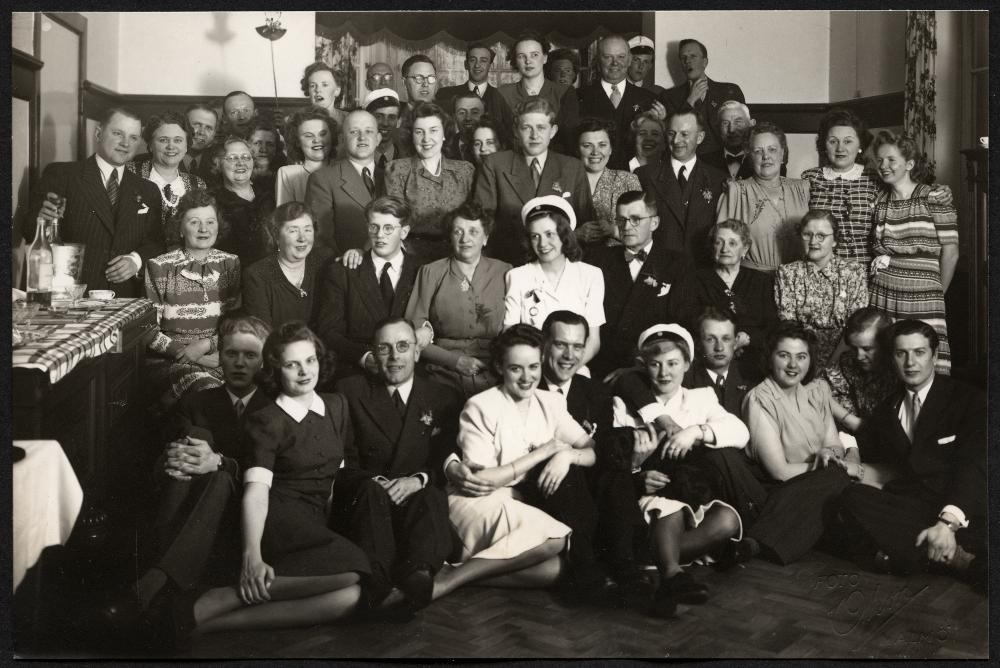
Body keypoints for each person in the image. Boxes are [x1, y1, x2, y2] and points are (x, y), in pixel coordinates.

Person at [179, 323, 369, 636]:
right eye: (292, 365)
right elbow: (256, 491)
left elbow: (335, 475)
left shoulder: (337, 405)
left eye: (310, 360)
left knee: (351, 596)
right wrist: (251, 557)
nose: (304, 372)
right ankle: (229, 595)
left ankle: (216, 621)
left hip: (312, 521)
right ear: (275, 370)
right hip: (278, 520)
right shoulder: (267, 420)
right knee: (354, 571)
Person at [433, 324, 605, 602]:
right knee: (555, 538)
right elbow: (481, 480)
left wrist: (567, 455)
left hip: (520, 501)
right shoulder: (481, 406)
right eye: (516, 369)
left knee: (558, 568)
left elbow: (591, 449)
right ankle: (448, 582)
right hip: (479, 502)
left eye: (533, 367)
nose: (527, 378)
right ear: (499, 367)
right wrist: (542, 453)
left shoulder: (551, 403)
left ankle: (461, 575)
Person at [133, 313, 273, 612]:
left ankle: (159, 575)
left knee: (220, 476)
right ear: (219, 356)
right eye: (231, 354)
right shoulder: (197, 402)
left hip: (251, 511)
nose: (239, 363)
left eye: (250, 356)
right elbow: (163, 468)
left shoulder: (275, 407)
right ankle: (165, 581)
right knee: (193, 440)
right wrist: (172, 456)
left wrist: (221, 463)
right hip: (196, 507)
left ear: (263, 361)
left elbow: (277, 471)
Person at [611, 324, 748, 617]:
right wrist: (637, 472)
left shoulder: (701, 397)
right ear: (643, 366)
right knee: (670, 507)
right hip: (646, 497)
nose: (664, 373)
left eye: (673, 363)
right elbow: (612, 460)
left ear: (687, 364)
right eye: (655, 365)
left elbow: (740, 432)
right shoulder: (624, 404)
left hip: (689, 492)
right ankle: (672, 573)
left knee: (727, 520)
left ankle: (651, 556)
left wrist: (696, 431)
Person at [838, 320, 986, 590]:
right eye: (901, 353)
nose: (910, 362)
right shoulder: (888, 408)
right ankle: (951, 557)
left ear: (935, 356)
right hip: (916, 508)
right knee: (852, 497)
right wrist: (850, 452)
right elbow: (867, 442)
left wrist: (948, 523)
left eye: (919, 352)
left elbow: (973, 466)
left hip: (963, 506)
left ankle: (908, 555)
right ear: (892, 358)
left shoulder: (968, 399)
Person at [334, 318, 462, 611]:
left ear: (416, 352)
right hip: (370, 500)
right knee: (368, 494)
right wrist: (378, 482)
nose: (394, 357)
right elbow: (344, 458)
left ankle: (419, 574)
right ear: (374, 354)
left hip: (416, 502)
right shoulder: (349, 391)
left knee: (430, 495)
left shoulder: (443, 396)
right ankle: (378, 585)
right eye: (385, 348)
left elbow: (445, 457)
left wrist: (418, 480)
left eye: (403, 346)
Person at [738, 321, 859, 565]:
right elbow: (779, 471)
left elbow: (834, 444)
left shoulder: (817, 391)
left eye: (801, 357)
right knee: (842, 484)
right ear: (770, 358)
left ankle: (758, 542)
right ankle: (764, 541)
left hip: (823, 486)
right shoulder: (760, 399)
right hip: (782, 490)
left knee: (851, 494)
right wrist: (828, 466)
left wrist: (828, 453)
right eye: (784, 355)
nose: (793, 365)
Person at [28, 106, 164, 297]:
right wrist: (42, 220)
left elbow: (157, 243)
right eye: (118, 133)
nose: (125, 143)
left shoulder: (148, 190)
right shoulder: (62, 175)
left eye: (133, 137)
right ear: (98, 133)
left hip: (125, 298)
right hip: (71, 296)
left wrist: (136, 260)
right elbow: (28, 231)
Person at [800, 108, 952, 268]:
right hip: (821, 269)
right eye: (833, 141)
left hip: (866, 271)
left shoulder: (877, 177)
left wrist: (938, 191)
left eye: (848, 141)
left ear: (860, 145)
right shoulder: (810, 178)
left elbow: (908, 190)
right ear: (824, 145)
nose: (840, 148)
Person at [869, 131, 958, 375]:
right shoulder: (879, 201)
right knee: (887, 361)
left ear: (909, 164)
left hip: (923, 295)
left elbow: (951, 252)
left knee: (922, 358)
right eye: (880, 160)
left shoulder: (934, 197)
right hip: (884, 291)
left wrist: (937, 293)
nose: (884, 166)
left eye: (891, 160)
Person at [144, 190, 241, 412]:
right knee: (210, 394)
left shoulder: (230, 263)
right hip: (172, 361)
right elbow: (147, 330)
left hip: (219, 356)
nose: (204, 229)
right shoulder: (160, 266)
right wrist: (190, 354)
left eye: (210, 222)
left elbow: (237, 323)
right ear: (180, 228)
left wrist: (210, 346)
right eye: (194, 222)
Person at [404, 202, 511, 397]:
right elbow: (413, 334)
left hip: (496, 370)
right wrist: (455, 361)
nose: (465, 239)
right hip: (443, 371)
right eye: (458, 232)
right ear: (450, 237)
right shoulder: (431, 272)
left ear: (485, 238)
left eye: (473, 232)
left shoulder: (505, 272)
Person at [586, 190, 690, 380]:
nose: (626, 227)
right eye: (621, 220)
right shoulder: (598, 261)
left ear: (654, 223)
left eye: (635, 219)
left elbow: (681, 325)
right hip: (603, 368)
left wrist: (639, 369)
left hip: (654, 370)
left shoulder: (677, 264)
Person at [474, 97, 591, 266]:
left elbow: (586, 226)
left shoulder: (572, 167)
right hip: (508, 262)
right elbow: (483, 222)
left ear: (553, 131)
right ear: (516, 131)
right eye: (526, 128)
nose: (534, 135)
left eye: (541, 128)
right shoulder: (495, 164)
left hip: (559, 264)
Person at [314, 196, 420, 379]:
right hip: (358, 372)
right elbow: (328, 332)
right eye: (374, 227)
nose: (380, 235)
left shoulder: (422, 271)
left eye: (388, 228)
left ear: (404, 232)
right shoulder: (342, 272)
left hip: (411, 370)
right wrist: (364, 357)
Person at [503, 196, 605, 372]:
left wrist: (566, 370)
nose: (542, 244)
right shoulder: (517, 276)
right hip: (531, 371)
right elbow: (509, 333)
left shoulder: (590, 275)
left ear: (564, 235)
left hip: (574, 368)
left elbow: (593, 341)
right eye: (535, 236)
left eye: (549, 234)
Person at [672, 220, 777, 383]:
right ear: (712, 247)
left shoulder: (762, 281)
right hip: (708, 358)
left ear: (745, 248)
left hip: (753, 359)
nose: (724, 249)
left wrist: (747, 338)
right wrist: (722, 341)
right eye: (718, 242)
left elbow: (772, 326)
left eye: (732, 243)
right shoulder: (694, 279)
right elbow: (686, 320)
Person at [775, 210, 869, 367]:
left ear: (835, 240)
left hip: (843, 360)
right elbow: (789, 328)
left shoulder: (854, 272)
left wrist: (830, 367)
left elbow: (855, 329)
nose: (813, 241)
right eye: (807, 234)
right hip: (801, 361)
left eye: (821, 236)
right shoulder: (787, 273)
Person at [384, 102, 475, 261]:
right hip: (411, 255)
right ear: (411, 135)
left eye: (433, 130)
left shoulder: (464, 171)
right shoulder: (397, 170)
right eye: (419, 132)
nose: (426, 139)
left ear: (444, 134)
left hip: (457, 254)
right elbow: (393, 220)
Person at [636, 109, 728, 264]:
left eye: (684, 134)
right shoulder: (644, 176)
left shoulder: (718, 179)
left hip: (703, 268)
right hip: (659, 266)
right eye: (671, 134)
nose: (676, 140)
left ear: (700, 137)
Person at [715, 122, 809, 272]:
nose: (766, 156)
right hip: (752, 279)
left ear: (782, 154)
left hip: (798, 279)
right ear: (749, 157)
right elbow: (721, 248)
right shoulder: (736, 192)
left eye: (772, 149)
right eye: (758, 151)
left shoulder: (802, 189)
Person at [242, 202, 332, 330]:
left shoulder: (326, 260)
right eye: (293, 230)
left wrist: (356, 253)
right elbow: (262, 334)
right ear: (276, 236)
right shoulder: (257, 275)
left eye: (307, 230)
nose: (302, 238)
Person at [305, 110, 381, 256]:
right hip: (345, 265)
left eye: (369, 131)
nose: (362, 137)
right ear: (342, 139)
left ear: (378, 139)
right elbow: (321, 239)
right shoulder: (322, 179)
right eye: (354, 132)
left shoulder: (391, 175)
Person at [577, 35, 657, 171]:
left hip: (637, 176)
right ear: (597, 61)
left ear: (629, 59)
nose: (615, 63)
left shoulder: (649, 99)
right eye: (608, 57)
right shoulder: (579, 97)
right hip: (592, 175)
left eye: (621, 57)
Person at [658, 39, 745, 159]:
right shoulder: (669, 96)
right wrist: (690, 100)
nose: (687, 61)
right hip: (688, 162)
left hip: (723, 161)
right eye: (683, 58)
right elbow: (672, 135)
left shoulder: (729, 91)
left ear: (705, 62)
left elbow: (742, 133)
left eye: (693, 56)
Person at [818, 306, 898, 435]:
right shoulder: (847, 361)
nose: (859, 356)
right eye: (854, 348)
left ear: (885, 344)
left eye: (867, 349)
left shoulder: (899, 371)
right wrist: (853, 421)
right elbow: (817, 392)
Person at [498, 30, 580, 153]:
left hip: (556, 161)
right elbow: (499, 140)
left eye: (534, 55)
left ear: (545, 58)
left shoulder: (565, 92)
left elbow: (570, 140)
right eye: (521, 56)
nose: (528, 61)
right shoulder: (502, 93)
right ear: (515, 60)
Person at [126, 111, 206, 235]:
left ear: (186, 146)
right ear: (150, 145)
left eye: (178, 140)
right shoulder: (129, 173)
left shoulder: (197, 184)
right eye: (163, 140)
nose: (171, 146)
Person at [573, 118, 642, 247]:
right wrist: (576, 234)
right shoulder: (565, 181)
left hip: (617, 257)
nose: (595, 152)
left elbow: (642, 233)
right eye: (587, 146)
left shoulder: (627, 180)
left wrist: (613, 230)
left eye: (602, 145)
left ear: (610, 149)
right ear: (577, 150)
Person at [212, 136, 275, 269]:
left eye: (246, 157)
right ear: (219, 163)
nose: (240, 163)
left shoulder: (269, 196)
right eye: (232, 158)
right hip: (231, 274)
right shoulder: (212, 201)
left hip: (270, 274)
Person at [436, 43, 514, 133]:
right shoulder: (446, 94)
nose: (477, 65)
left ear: (491, 66)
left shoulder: (501, 97)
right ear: (466, 64)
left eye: (483, 61)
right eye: (472, 60)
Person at [276, 108, 337, 206]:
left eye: (322, 134)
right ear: (297, 141)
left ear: (332, 136)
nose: (317, 140)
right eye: (308, 136)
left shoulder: (344, 170)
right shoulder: (288, 174)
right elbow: (285, 214)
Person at [398, 55, 440, 152]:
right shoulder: (394, 118)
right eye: (418, 78)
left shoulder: (447, 118)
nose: (425, 84)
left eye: (431, 78)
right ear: (404, 82)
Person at [703, 100, 755, 180]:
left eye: (738, 122)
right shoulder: (704, 162)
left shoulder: (760, 159)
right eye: (725, 123)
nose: (731, 130)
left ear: (750, 124)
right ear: (718, 127)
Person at [365, 88, 412, 175]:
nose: (385, 123)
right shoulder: (355, 160)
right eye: (379, 116)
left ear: (399, 122)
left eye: (391, 117)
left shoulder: (410, 160)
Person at [301, 61, 350, 128]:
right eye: (312, 86)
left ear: (337, 91)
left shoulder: (349, 119)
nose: (318, 90)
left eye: (325, 85)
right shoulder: (299, 121)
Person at [184, 104, 221, 185]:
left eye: (208, 128)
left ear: (214, 133)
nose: (201, 132)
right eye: (197, 125)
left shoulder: (219, 166)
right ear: (183, 126)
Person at [442, 92, 484, 163]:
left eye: (474, 112)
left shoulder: (497, 146)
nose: (468, 118)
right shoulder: (443, 147)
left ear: (484, 115)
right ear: (454, 117)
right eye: (462, 113)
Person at [248, 121, 285, 193]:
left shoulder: (284, 176)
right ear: (248, 146)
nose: (263, 149)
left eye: (269, 144)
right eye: (257, 143)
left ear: (276, 148)